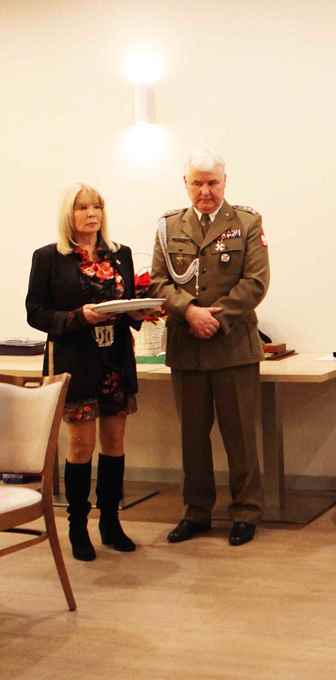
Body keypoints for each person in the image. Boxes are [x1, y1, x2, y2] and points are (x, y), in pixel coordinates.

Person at [150, 150, 270, 547]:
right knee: (192, 437)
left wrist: (215, 317)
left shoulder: (247, 223)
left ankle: (246, 512)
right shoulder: (169, 227)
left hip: (233, 347)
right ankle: (196, 512)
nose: (205, 191)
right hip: (187, 348)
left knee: (240, 435)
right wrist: (189, 311)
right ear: (185, 184)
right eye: (197, 183)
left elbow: (256, 281)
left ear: (225, 182)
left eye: (212, 183)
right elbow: (158, 281)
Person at [26, 183, 144, 561]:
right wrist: (78, 317)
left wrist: (140, 312)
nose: (92, 213)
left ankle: (111, 522)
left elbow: (126, 305)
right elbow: (36, 313)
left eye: (97, 206)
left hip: (115, 359)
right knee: (80, 445)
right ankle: (78, 527)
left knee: (115, 442)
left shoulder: (120, 254)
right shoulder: (49, 257)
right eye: (82, 207)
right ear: (69, 214)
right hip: (76, 361)